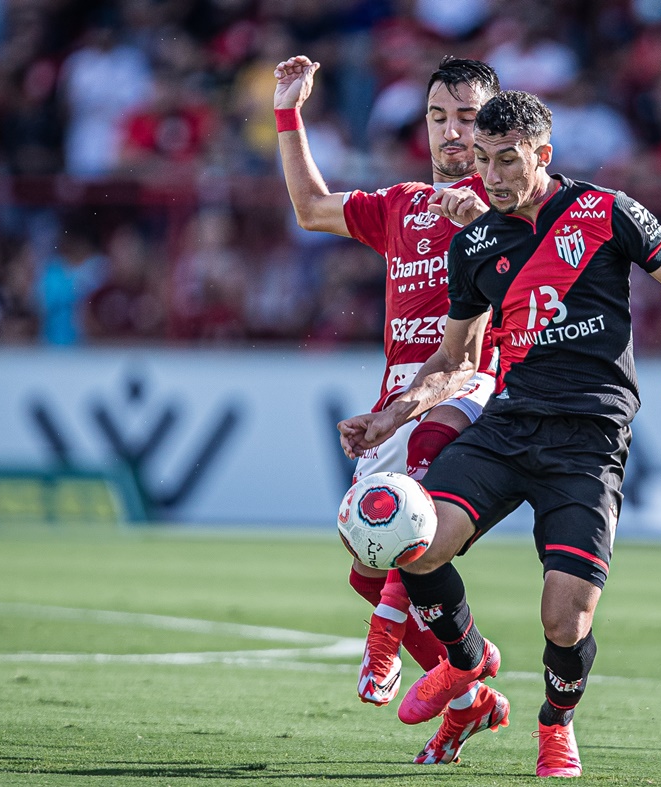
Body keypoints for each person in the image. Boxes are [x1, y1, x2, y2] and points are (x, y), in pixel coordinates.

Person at [339, 90, 661, 777]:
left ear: (543, 155)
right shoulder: (477, 242)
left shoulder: (606, 212)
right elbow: (454, 361)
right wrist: (391, 417)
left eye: (507, 159)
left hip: (589, 440)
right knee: (416, 539)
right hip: (510, 424)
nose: (491, 175)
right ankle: (466, 662)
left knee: (565, 621)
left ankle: (555, 722)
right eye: (480, 160)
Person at [273, 54, 509, 764]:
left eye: (467, 117)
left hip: (469, 382)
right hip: (397, 395)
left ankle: (384, 646)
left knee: (417, 501)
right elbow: (311, 209)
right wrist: (288, 111)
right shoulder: (404, 203)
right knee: (364, 564)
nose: (451, 132)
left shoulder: (509, 204)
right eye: (439, 117)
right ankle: (471, 694)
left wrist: (488, 219)